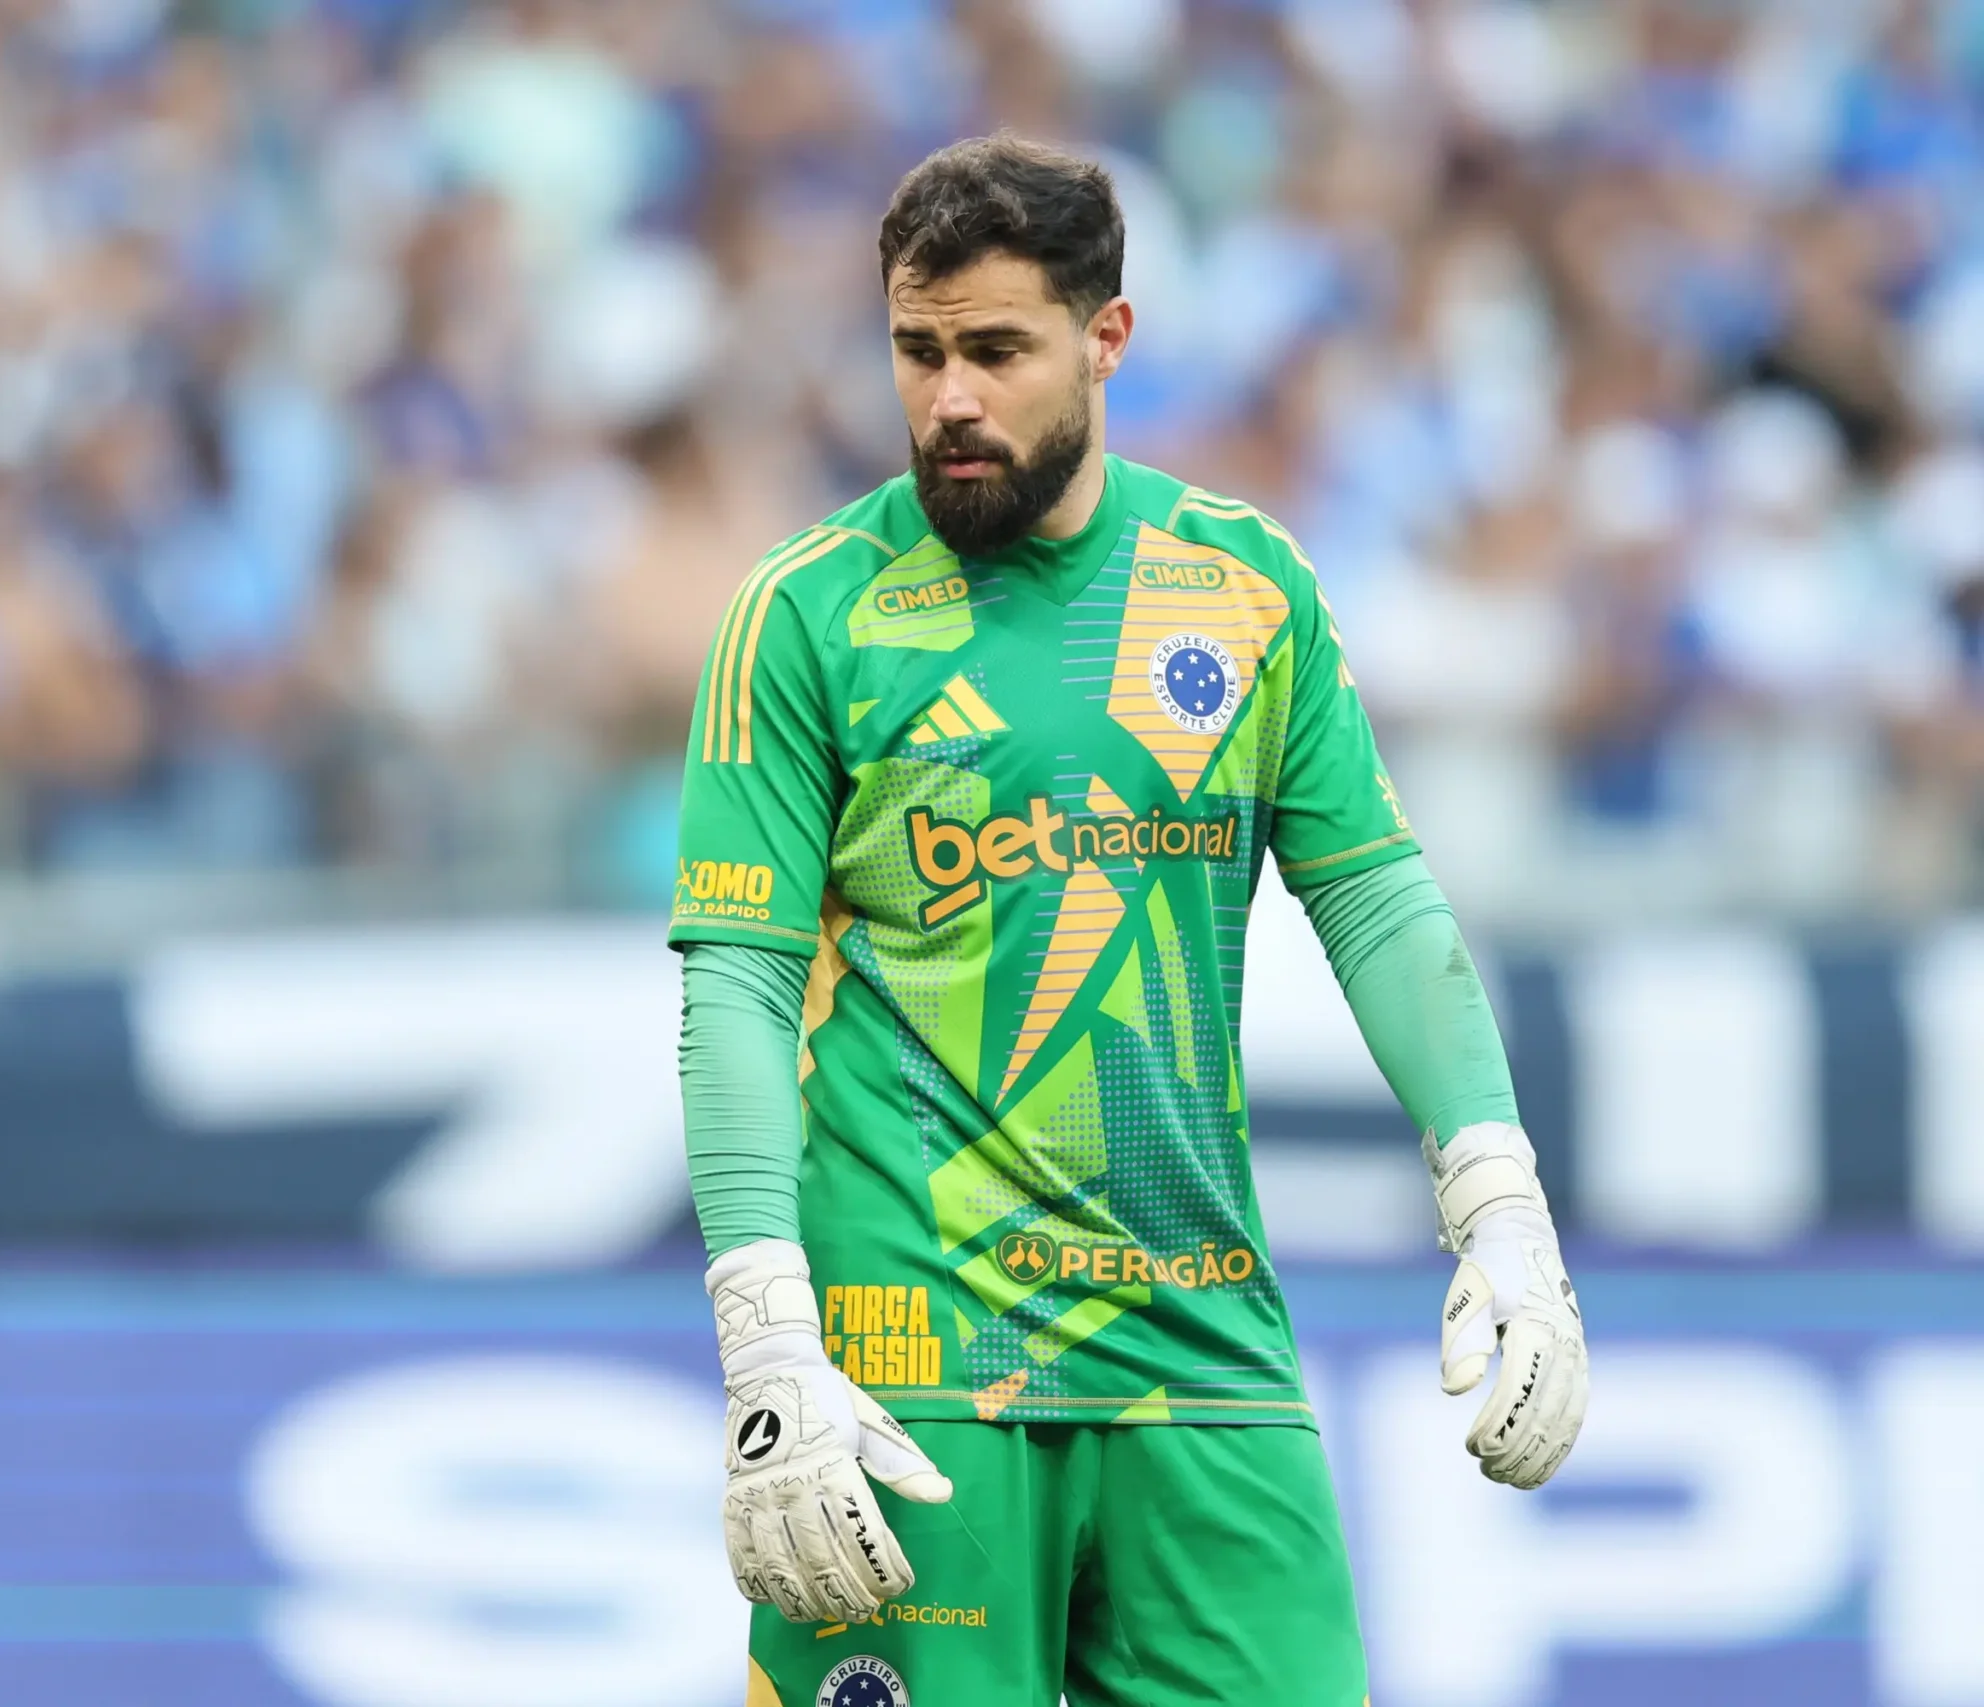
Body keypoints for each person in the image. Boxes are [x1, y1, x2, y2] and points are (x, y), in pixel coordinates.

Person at [671, 135, 1588, 1707]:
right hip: (913, 1365)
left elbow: (1376, 901)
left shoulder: (1244, 588)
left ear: (1107, 338)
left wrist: (1500, 1201)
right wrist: (766, 1334)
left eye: (996, 350)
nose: (950, 398)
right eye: (917, 351)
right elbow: (737, 992)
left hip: (1200, 1347)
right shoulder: (806, 612)